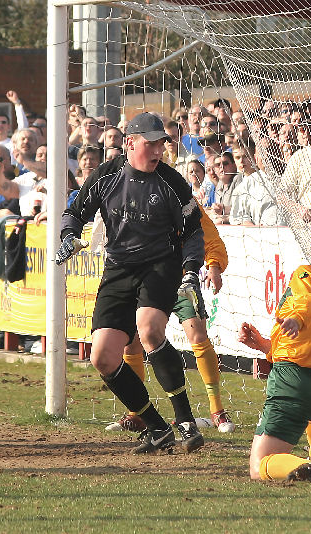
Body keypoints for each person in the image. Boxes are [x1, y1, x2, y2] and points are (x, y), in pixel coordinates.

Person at [57, 112, 206, 454]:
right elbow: (75, 211)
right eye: (151, 143)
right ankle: (155, 427)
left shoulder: (172, 182)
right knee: (103, 358)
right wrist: (68, 235)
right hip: (118, 268)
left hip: (160, 265)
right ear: (130, 143)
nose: (158, 151)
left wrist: (191, 270)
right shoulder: (107, 175)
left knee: (149, 330)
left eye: (162, 144)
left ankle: (184, 419)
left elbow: (194, 230)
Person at [107, 200, 236, 435]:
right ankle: (136, 414)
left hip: (180, 280)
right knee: (133, 341)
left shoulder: (183, 200)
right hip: (146, 282)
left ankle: (217, 410)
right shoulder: (132, 199)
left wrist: (214, 266)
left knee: (197, 333)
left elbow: (211, 237)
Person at [238, 230, 311, 482]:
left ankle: (310, 466)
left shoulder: (307, 273)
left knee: (258, 468)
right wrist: (267, 346)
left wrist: (296, 319)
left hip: (295, 380)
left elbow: (307, 301)